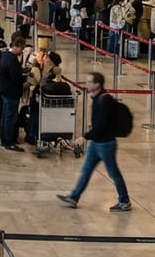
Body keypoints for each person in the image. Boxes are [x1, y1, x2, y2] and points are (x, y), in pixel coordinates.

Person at [56, 72, 133, 212]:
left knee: (113, 173)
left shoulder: (105, 101)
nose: (86, 85)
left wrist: (85, 137)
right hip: (97, 143)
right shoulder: (97, 99)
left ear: (97, 84)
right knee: (86, 170)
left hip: (106, 144)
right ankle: (74, 197)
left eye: (89, 82)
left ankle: (124, 200)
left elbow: (101, 126)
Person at [0, 36, 26, 152]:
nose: (22, 51)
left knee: (5, 116)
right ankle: (9, 141)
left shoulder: (4, 56)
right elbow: (15, 77)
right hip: (11, 91)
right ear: (16, 46)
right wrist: (24, 78)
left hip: (4, 90)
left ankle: (4, 139)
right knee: (10, 117)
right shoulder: (12, 59)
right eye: (21, 48)